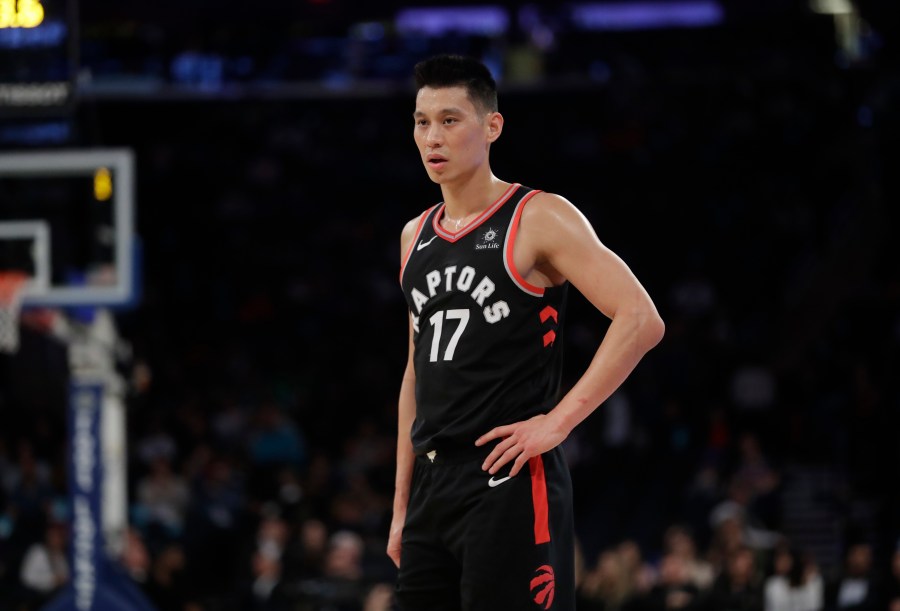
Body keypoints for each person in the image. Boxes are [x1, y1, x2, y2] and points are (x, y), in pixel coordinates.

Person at [387, 54, 665, 611]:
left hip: (507, 480)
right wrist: (400, 506)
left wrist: (556, 423)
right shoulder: (413, 235)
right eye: (422, 122)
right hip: (431, 492)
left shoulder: (538, 216)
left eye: (449, 119)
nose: (432, 137)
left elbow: (640, 319)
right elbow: (416, 371)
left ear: (492, 126)